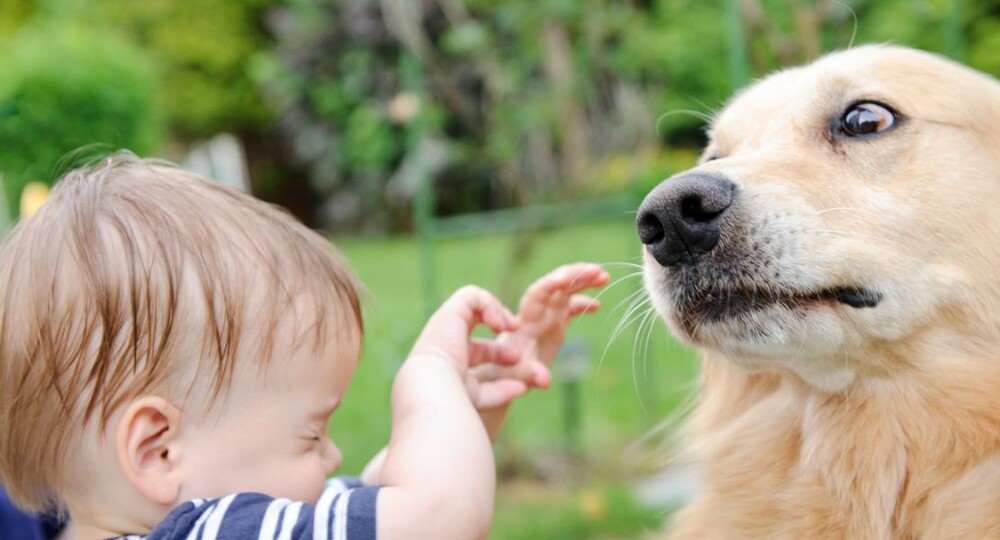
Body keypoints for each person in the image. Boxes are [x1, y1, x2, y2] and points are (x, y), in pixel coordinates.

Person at [0, 153, 609, 540]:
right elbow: (437, 517)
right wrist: (430, 379)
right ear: (157, 449)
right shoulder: (208, 529)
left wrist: (465, 410)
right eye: (311, 433)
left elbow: (372, 501)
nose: (332, 454)